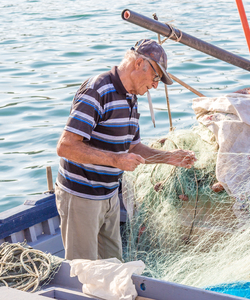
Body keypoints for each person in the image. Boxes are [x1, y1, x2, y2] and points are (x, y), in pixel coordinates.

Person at [55, 39, 196, 261]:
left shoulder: (131, 97)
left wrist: (169, 158)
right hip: (81, 196)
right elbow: (66, 146)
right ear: (140, 63)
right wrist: (116, 160)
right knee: (83, 271)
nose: (155, 85)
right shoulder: (97, 89)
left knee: (114, 266)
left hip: (110, 196)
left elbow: (134, 147)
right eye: (156, 77)